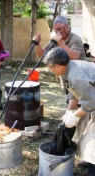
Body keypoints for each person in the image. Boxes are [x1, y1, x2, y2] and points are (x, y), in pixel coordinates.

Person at [44, 47, 95, 176]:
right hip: (91, 96)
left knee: (93, 135)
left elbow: (91, 102)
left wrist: (75, 115)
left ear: (58, 66)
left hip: (93, 99)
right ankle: (90, 160)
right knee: (82, 129)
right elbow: (73, 94)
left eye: (50, 67)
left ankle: (93, 169)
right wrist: (70, 112)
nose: (50, 70)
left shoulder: (77, 76)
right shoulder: (65, 71)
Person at [33, 15, 86, 111]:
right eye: (55, 30)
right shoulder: (55, 40)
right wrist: (37, 44)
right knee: (72, 102)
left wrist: (61, 44)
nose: (57, 32)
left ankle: (77, 122)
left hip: (80, 78)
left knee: (81, 104)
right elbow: (44, 55)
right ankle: (73, 121)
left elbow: (75, 56)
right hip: (67, 78)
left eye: (59, 29)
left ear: (66, 27)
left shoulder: (75, 39)